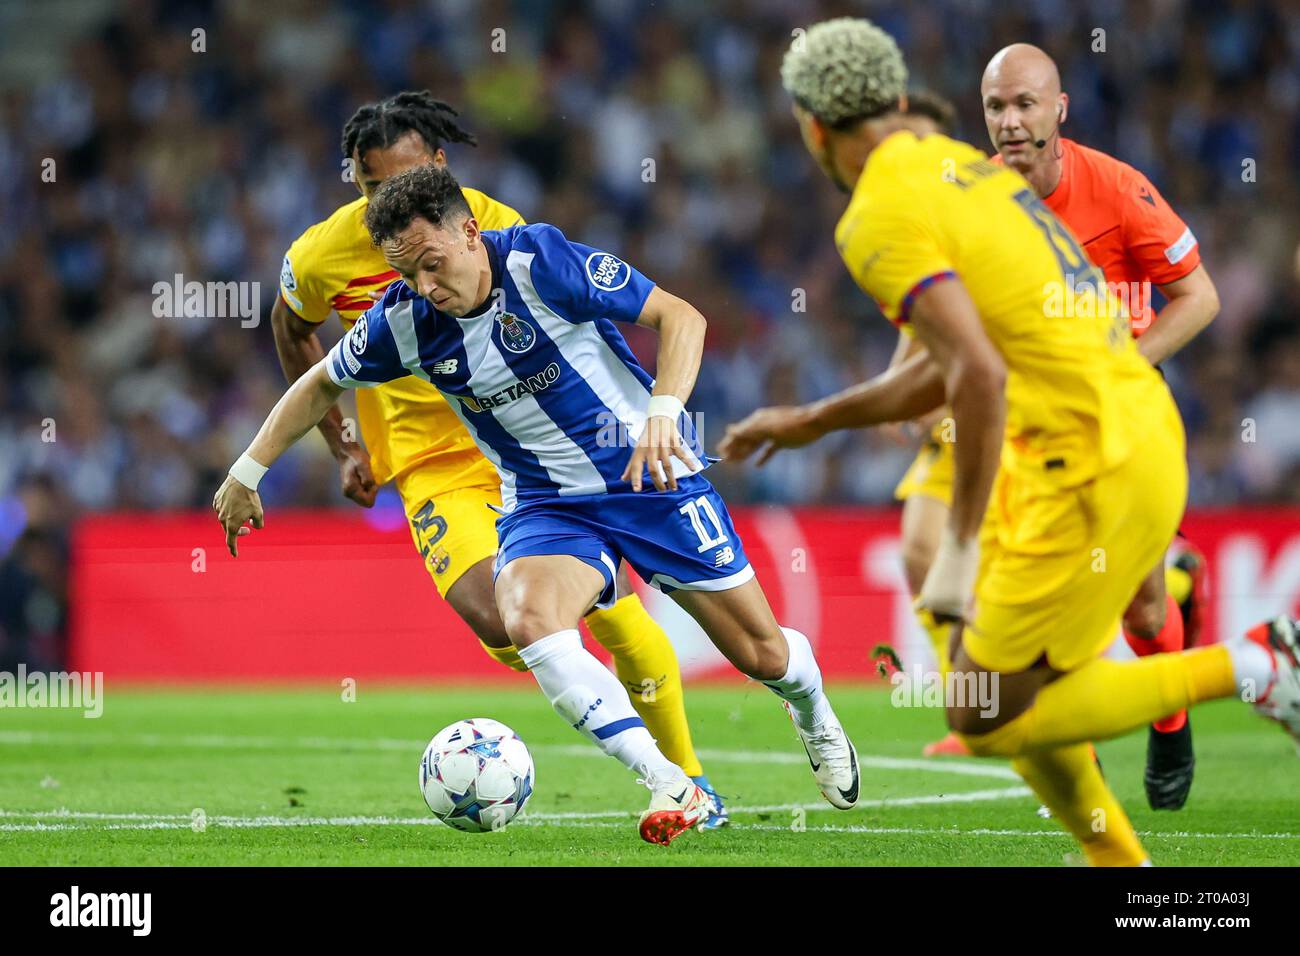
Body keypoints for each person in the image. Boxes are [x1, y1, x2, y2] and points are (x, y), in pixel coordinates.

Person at [720, 16, 1299, 866]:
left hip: (1084, 456)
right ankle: (1126, 869)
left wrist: (957, 546)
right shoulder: (965, 170)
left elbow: (976, 377)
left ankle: (1254, 665)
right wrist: (816, 421)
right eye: (997, 105)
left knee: (983, 714)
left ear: (814, 126)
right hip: (1130, 433)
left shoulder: (879, 214)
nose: (1009, 121)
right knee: (1020, 695)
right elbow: (954, 362)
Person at [216, 164, 861, 846]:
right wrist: (247, 470)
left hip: (647, 478)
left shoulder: (539, 260)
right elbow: (318, 385)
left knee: (762, 655)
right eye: (408, 276)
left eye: (432, 265)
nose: (426, 288)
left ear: (469, 232)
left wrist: (665, 413)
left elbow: (682, 316)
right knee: (529, 621)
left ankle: (811, 706)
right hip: (546, 505)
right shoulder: (403, 324)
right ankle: (671, 782)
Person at [271, 91, 725, 827]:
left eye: (402, 179)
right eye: (369, 186)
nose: (387, 200)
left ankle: (689, 781)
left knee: (617, 623)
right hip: (430, 461)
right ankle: (594, 646)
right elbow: (293, 330)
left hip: (528, 448)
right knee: (497, 618)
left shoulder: (493, 224)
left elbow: (572, 328)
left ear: (441, 167)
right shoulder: (323, 254)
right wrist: (341, 439)